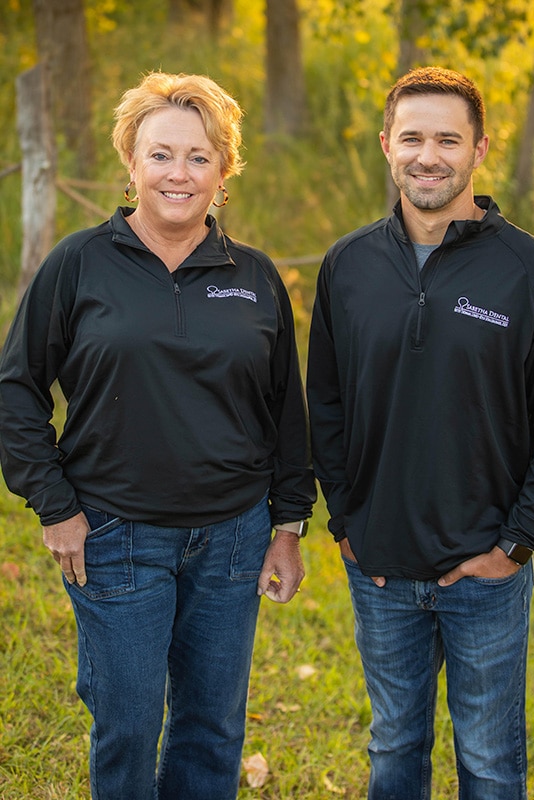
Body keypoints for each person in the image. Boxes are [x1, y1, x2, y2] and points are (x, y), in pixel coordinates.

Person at [0, 71, 315, 800]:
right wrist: (53, 504)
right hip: (116, 531)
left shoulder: (258, 277)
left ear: (224, 170)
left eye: (199, 157)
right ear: (131, 162)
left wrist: (288, 525)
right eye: (162, 154)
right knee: (127, 724)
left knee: (211, 727)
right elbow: (17, 386)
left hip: (234, 539)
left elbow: (284, 412)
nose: (179, 173)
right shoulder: (78, 264)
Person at [306, 66, 534, 799]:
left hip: (487, 569)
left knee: (492, 764)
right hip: (381, 568)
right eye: (412, 138)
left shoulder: (531, 274)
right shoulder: (346, 267)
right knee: (394, 748)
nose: (427, 155)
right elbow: (325, 406)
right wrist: (346, 521)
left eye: (447, 139)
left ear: (480, 148)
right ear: (385, 146)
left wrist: (516, 544)